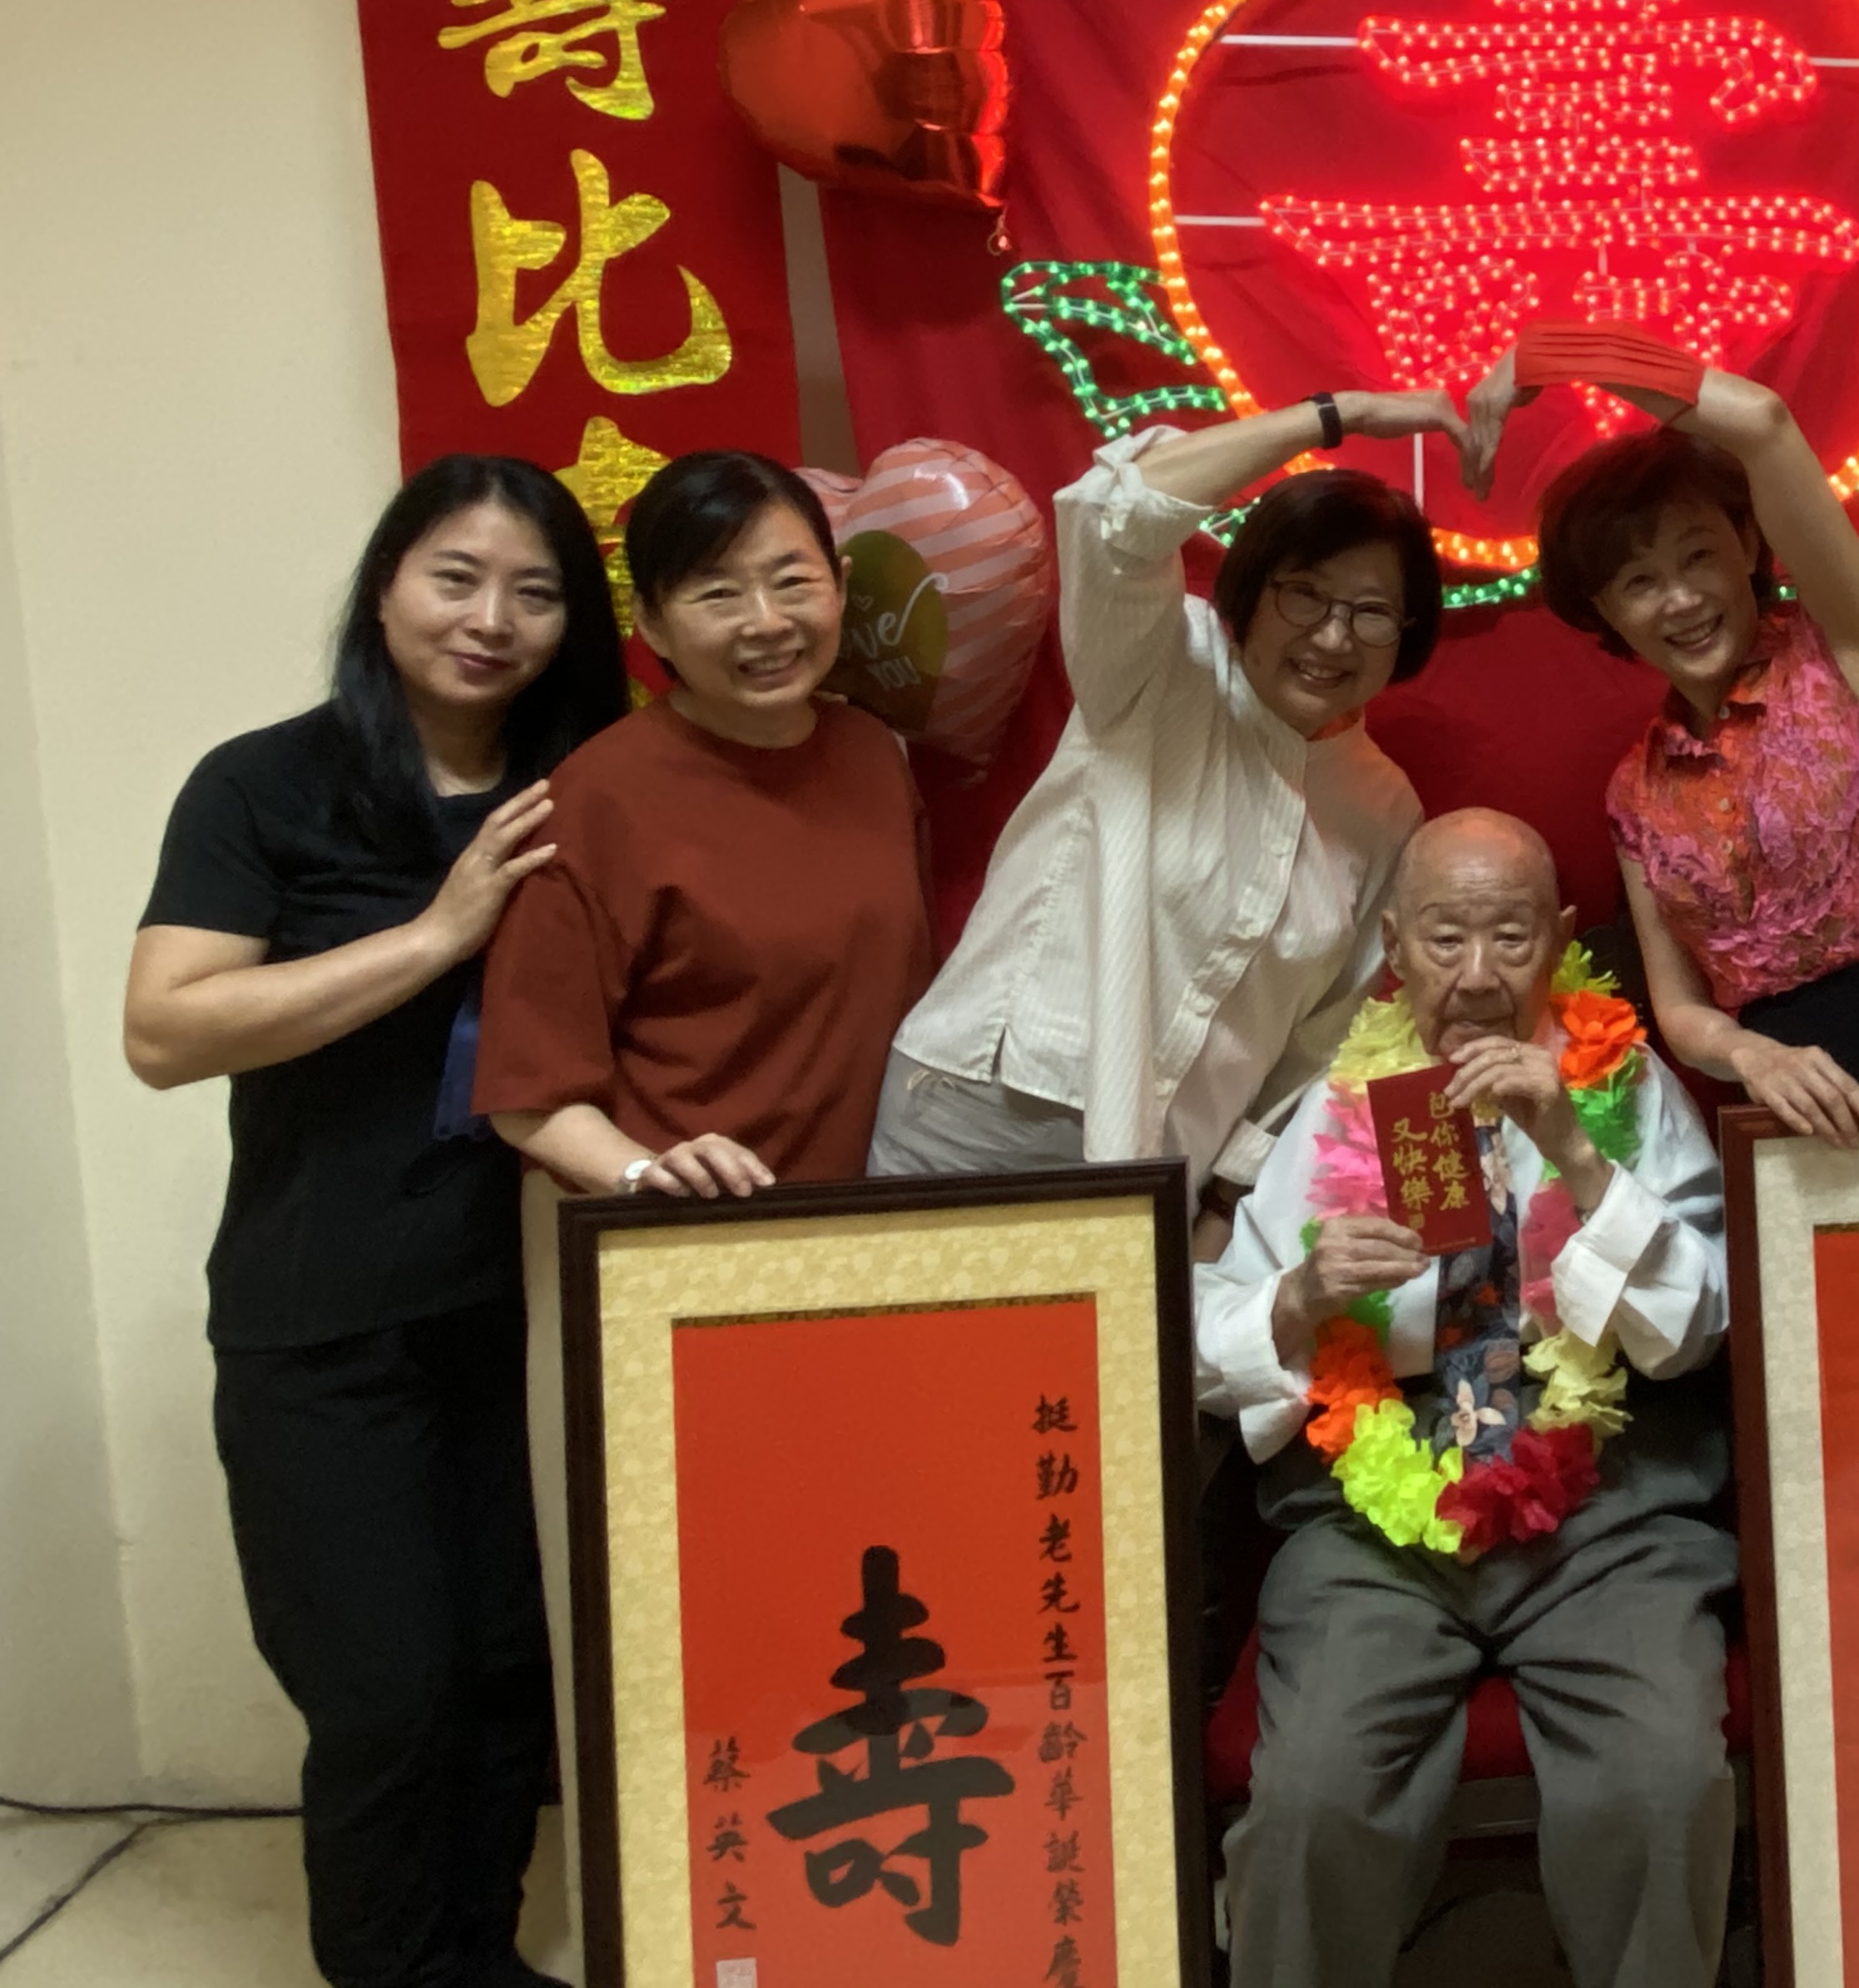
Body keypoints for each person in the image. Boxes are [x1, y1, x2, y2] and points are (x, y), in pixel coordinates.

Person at [124, 454, 630, 1988]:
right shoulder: (266, 783)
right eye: (455, 578)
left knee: (503, 1677)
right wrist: (437, 933)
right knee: (384, 1699)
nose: (491, 620)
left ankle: (476, 1955)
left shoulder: (586, 784)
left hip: (500, 1311)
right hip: (317, 1314)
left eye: (535, 592)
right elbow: (165, 1028)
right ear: (386, 587)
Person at [1196, 808, 1734, 1987]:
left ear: (1562, 939)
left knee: (1663, 1783)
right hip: (1372, 1527)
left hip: (1607, 1515)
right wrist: (1300, 1297)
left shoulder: (1627, 1084)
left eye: (1511, 937)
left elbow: (1699, 1327)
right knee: (1311, 1799)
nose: (1480, 976)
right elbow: (1209, 1333)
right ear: (1396, 945)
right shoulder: (1336, 1100)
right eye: (1447, 939)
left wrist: (1579, 1157)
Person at [872, 386, 1480, 1239]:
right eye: (1304, 594)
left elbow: (1320, 1041)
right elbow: (1115, 511)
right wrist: (1340, 416)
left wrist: (1228, 1197)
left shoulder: (1383, 807)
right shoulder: (1163, 662)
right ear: (1252, 591)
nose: (1333, 637)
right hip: (994, 1113)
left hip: (1163, 1176)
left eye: (1371, 612)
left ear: (1406, 633)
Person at [1498, 322, 1859, 1140]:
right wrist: (1747, 1053)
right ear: (1605, 611)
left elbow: (1762, 422)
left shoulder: (1843, 647)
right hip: (1795, 1111)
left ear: (1749, 542)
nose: (1681, 599)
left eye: (1698, 556)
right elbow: (1681, 1008)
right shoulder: (1636, 792)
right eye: (1639, 582)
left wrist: (1549, 356)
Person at [476, 450, 930, 1197]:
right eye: (718, 593)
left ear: (842, 586)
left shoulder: (874, 752)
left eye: (793, 582)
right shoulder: (596, 800)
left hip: (875, 1218)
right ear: (651, 623)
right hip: (691, 1229)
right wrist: (642, 1174)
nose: (767, 622)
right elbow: (529, 1097)